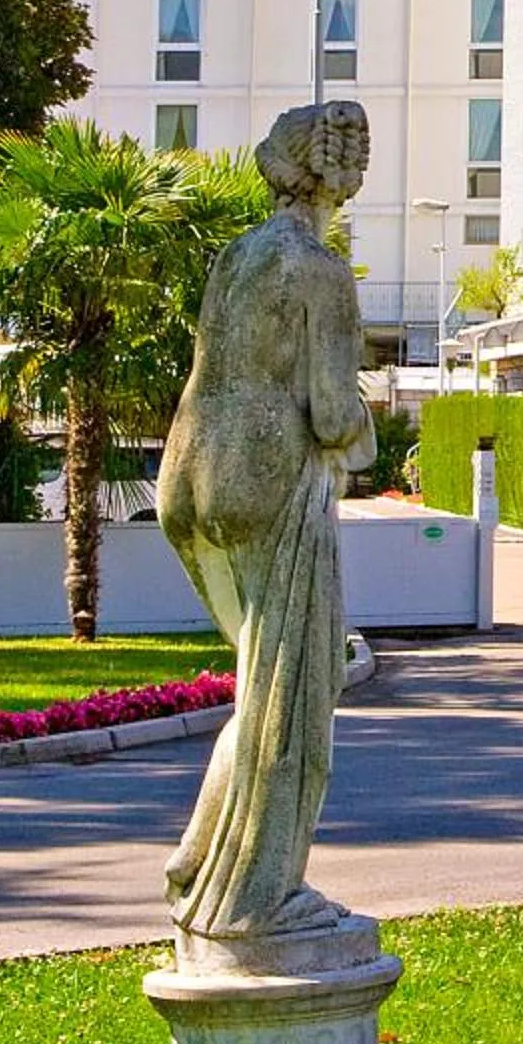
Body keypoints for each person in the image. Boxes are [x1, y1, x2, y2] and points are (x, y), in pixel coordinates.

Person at [159, 102, 377, 941]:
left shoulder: (235, 257)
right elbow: (328, 413)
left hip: (193, 472)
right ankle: (258, 895)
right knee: (296, 690)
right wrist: (362, 436)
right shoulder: (319, 268)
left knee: (263, 685)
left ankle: (200, 865)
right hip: (270, 481)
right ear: (336, 176)